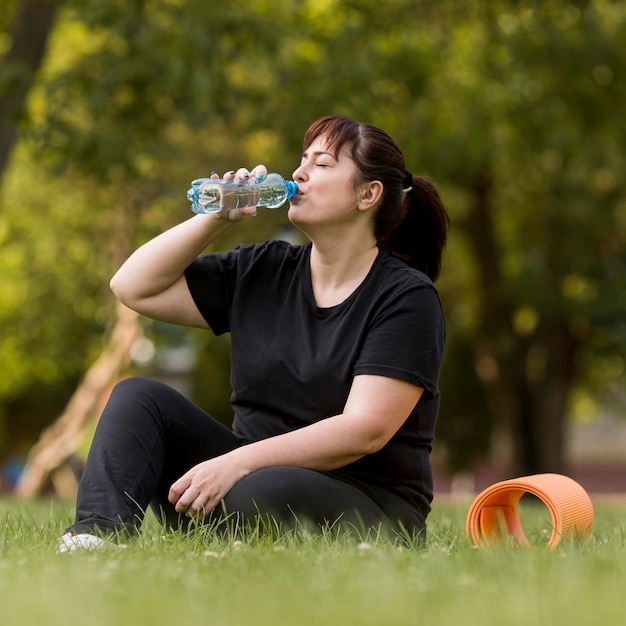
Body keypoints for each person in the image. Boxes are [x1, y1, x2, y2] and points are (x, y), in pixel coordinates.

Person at [58, 115, 450, 552]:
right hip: (243, 481)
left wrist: (236, 463)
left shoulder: (406, 297)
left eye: (322, 164)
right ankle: (95, 537)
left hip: (366, 506)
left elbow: (365, 430)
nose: (299, 173)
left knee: (260, 492)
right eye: (302, 160)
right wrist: (215, 219)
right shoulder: (263, 269)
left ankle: (229, 517)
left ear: (368, 194)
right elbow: (132, 286)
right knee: (137, 397)